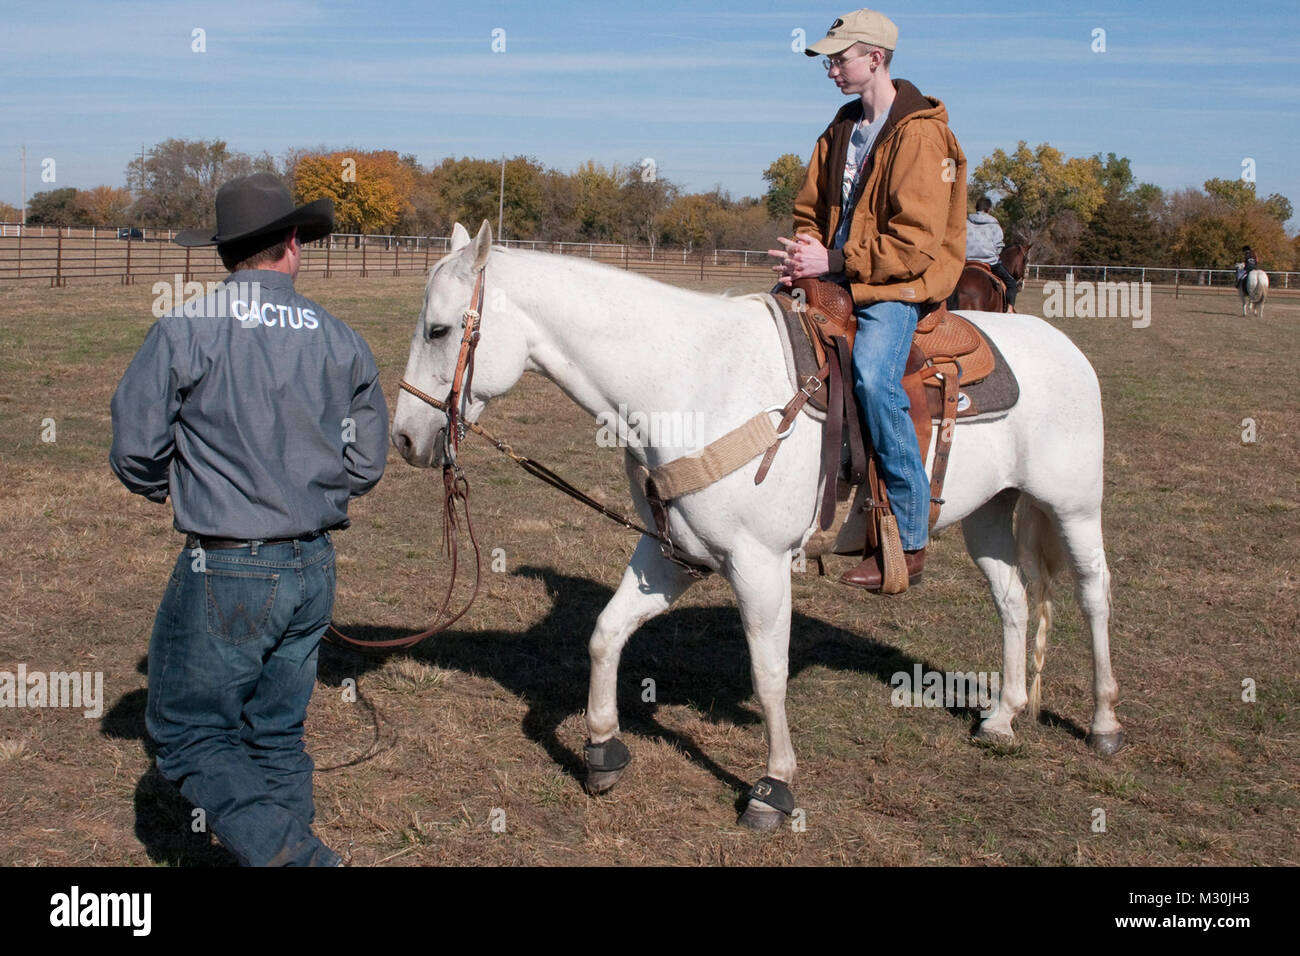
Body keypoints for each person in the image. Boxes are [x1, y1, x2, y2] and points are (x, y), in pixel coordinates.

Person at [109, 172, 389, 866]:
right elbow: (365, 462)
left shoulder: (186, 329)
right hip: (313, 564)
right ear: (292, 244)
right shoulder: (342, 339)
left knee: (191, 733)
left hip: (226, 562)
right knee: (276, 732)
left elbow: (136, 448)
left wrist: (178, 487)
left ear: (227, 252)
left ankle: (298, 859)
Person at [769, 8, 966, 591]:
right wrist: (804, 251)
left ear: (874, 58)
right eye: (829, 59)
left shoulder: (923, 134)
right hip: (834, 275)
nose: (831, 68)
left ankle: (907, 537)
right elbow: (810, 208)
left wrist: (832, 261)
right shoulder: (840, 128)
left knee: (877, 380)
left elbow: (915, 242)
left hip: (894, 285)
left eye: (840, 57)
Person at [966, 195, 1018, 308]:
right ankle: (1009, 310)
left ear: (976, 208)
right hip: (989, 262)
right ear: (989, 209)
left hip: (966, 261)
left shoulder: (966, 222)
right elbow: (999, 246)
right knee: (1012, 284)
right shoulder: (994, 225)